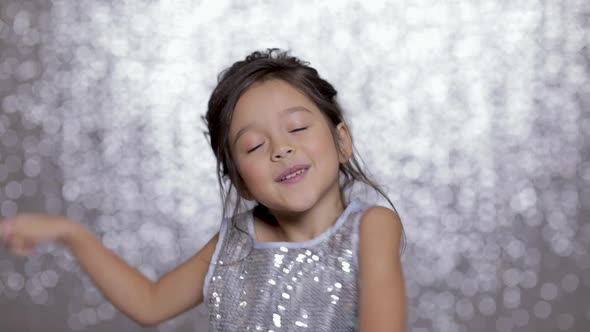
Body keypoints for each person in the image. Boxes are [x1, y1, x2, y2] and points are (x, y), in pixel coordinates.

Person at [0, 49, 406, 331]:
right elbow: (150, 304)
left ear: (341, 142)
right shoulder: (235, 243)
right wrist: (73, 234)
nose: (281, 148)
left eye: (297, 128)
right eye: (253, 146)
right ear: (241, 180)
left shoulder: (370, 226)